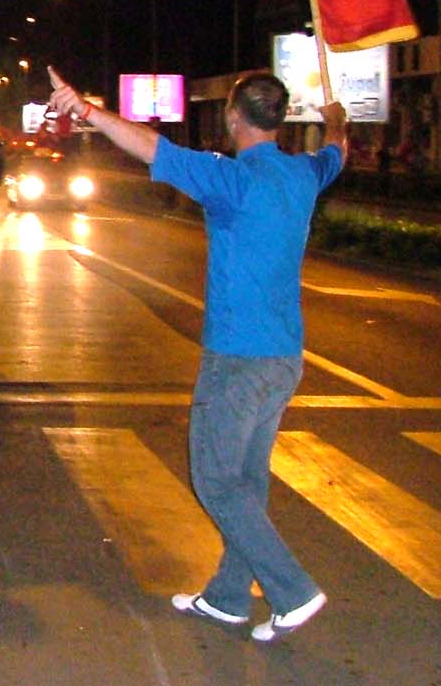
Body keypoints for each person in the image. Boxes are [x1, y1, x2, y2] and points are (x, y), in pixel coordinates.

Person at [47, 65, 346, 644]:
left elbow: (150, 146)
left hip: (238, 359)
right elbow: (337, 152)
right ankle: (229, 597)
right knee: (246, 481)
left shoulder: (229, 179)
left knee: (214, 479)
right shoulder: (305, 174)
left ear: (234, 117)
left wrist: (85, 109)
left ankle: (293, 589)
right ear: (279, 121)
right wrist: (336, 124)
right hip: (285, 357)